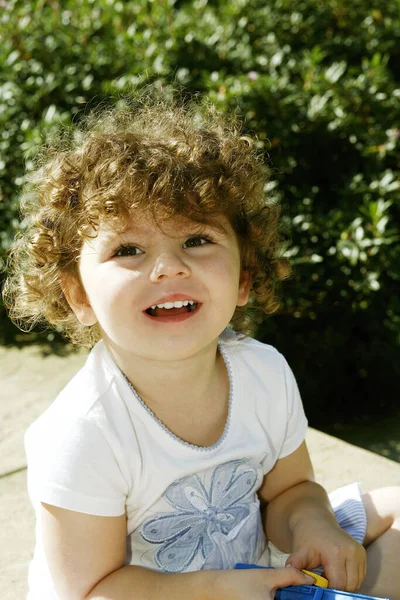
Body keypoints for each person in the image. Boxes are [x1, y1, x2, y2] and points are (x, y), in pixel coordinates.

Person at [3, 90, 400, 600]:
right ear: (79, 296)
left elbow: (289, 492)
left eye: (197, 240)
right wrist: (222, 589)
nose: (169, 267)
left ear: (243, 278)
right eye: (129, 249)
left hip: (259, 570)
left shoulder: (262, 372)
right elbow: (93, 590)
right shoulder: (82, 434)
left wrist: (313, 526)